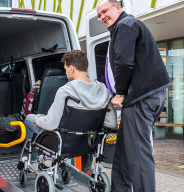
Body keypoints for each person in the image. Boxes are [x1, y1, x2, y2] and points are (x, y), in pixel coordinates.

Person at [96, 1, 171, 191]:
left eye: (105, 11)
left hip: (139, 98)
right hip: (146, 97)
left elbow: (123, 62)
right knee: (124, 151)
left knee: (138, 154)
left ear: (118, 8)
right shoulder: (125, 26)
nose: (102, 17)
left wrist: (120, 93)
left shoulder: (125, 25)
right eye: (99, 15)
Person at [24, 50, 116, 167]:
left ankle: (33, 161)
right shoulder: (103, 90)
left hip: (63, 143)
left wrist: (37, 119)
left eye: (66, 69)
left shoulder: (66, 91)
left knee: (28, 119)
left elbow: (51, 124)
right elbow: (112, 124)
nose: (66, 73)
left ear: (72, 68)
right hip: (89, 142)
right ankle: (45, 158)